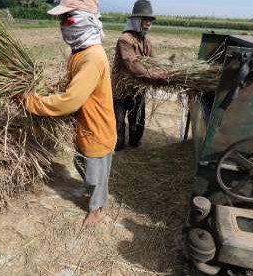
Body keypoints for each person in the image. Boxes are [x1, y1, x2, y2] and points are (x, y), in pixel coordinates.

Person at [20, 0, 116, 227]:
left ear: (85, 20)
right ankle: (90, 191)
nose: (63, 24)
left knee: (96, 174)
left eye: (68, 18)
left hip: (97, 128)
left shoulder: (92, 58)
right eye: (61, 19)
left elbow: (70, 101)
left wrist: (32, 101)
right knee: (81, 161)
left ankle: (96, 208)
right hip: (84, 124)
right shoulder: (80, 52)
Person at [111, 0, 168, 151]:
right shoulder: (125, 40)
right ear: (136, 20)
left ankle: (134, 143)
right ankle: (118, 147)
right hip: (121, 89)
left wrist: (166, 71)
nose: (148, 23)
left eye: (150, 20)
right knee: (118, 124)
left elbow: (153, 62)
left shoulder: (146, 41)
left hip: (138, 88)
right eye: (145, 19)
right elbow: (133, 65)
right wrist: (156, 76)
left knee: (138, 122)